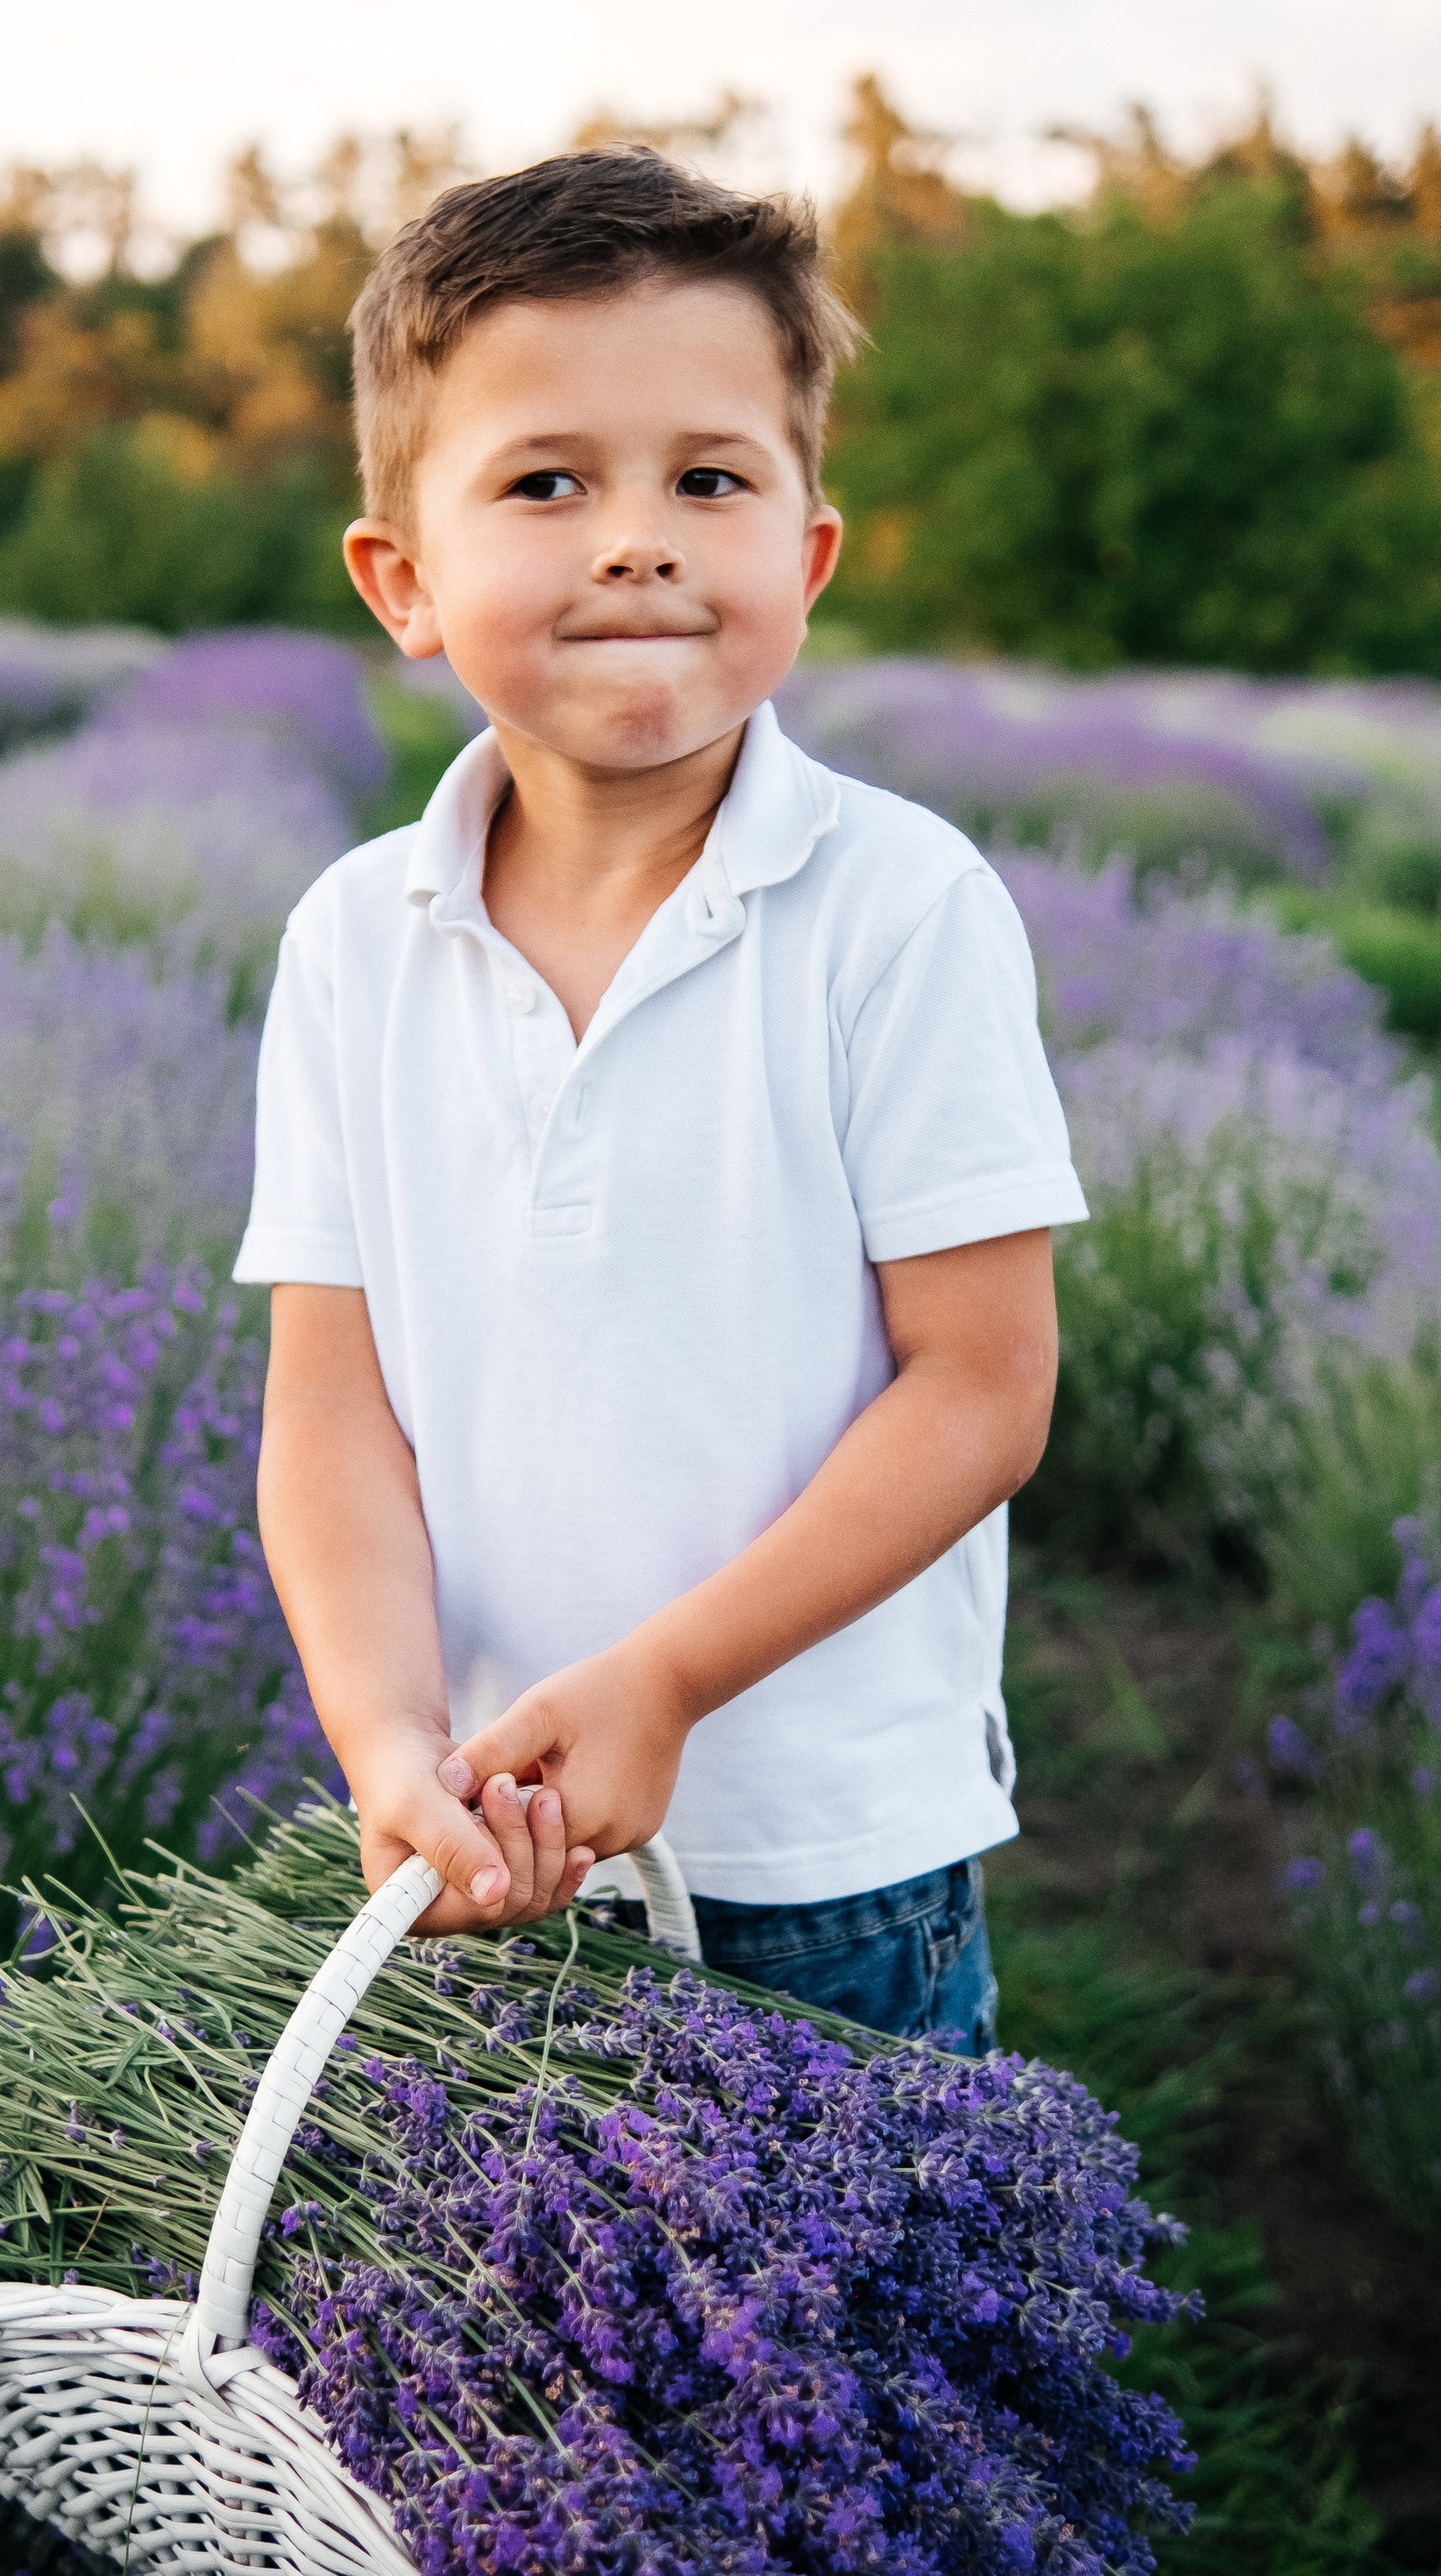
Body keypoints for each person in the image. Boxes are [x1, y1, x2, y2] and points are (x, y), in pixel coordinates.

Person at [234, 146, 1085, 2046]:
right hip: (484, 1849)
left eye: (707, 479)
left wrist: (672, 1681)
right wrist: (384, 1739)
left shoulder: (897, 907)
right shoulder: (354, 939)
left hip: (816, 1862)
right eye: (545, 483)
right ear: (404, 582)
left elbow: (981, 1383)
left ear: (805, 554)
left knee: (845, 2341)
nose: (636, 538)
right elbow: (331, 1408)